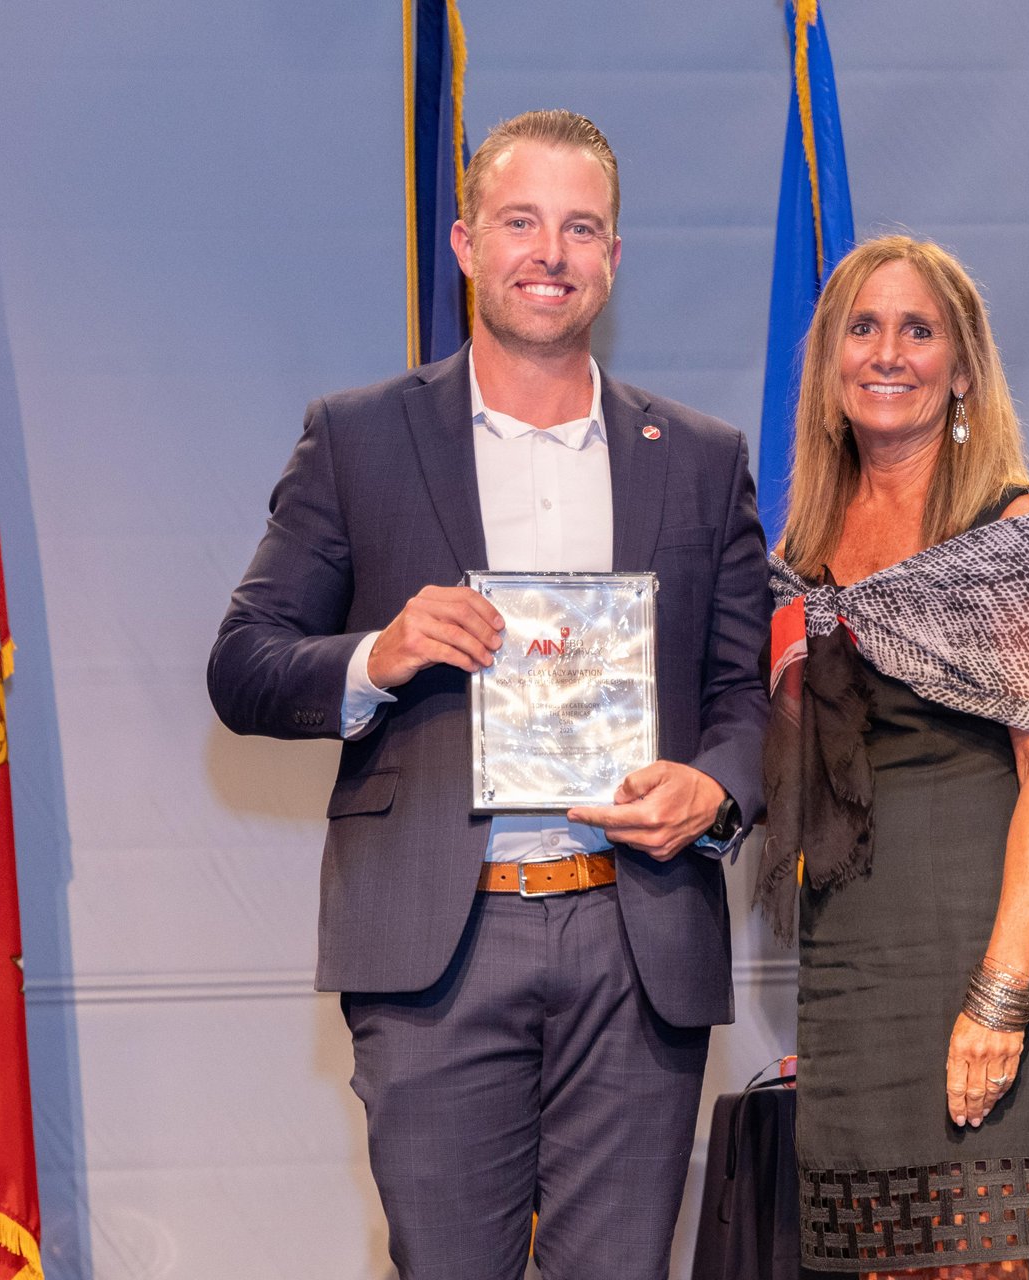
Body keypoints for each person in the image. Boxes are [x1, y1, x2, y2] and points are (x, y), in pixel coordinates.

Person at [207, 110, 769, 1280]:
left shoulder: (702, 456)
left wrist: (715, 786)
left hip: (639, 936)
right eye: (522, 222)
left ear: (615, 258)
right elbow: (245, 662)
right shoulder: (359, 437)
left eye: (581, 228)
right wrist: (382, 653)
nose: (549, 253)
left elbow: (743, 693)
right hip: (434, 951)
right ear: (466, 243)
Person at [757, 236, 1029, 1276]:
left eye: (918, 329)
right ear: (828, 365)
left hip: (979, 959)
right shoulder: (797, 558)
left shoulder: (1019, 535)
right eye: (863, 327)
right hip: (851, 969)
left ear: (961, 366)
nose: (888, 352)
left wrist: (1000, 995)